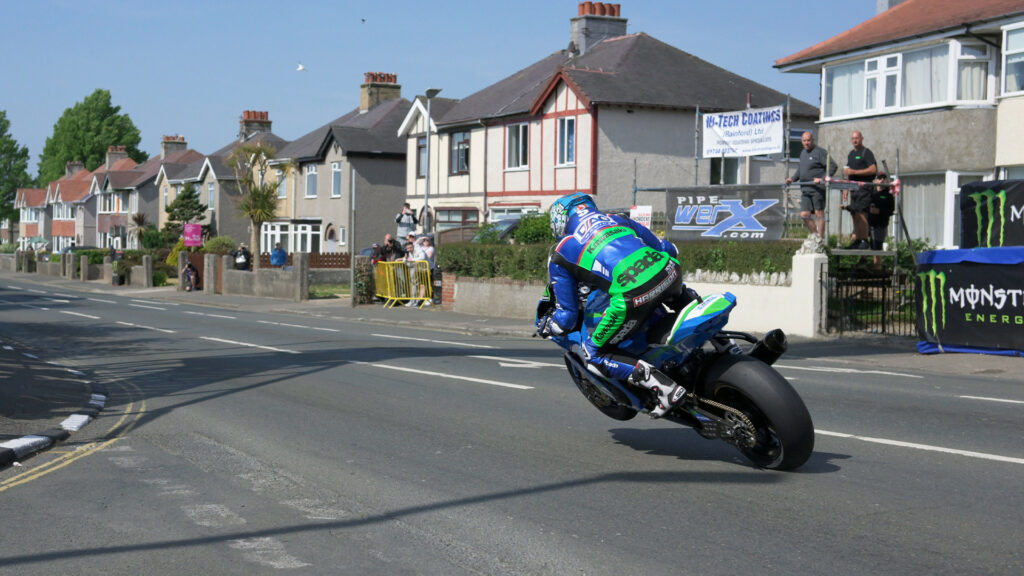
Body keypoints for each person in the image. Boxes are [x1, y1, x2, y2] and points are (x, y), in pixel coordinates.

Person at [537, 192, 694, 418]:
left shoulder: (562, 251)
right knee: (687, 304)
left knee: (593, 354)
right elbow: (668, 249)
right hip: (670, 273)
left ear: (560, 221)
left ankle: (664, 388)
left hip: (632, 296)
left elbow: (568, 316)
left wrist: (549, 326)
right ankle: (728, 346)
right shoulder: (618, 219)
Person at [786, 131, 837, 239]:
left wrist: (822, 179)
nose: (806, 143)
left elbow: (833, 166)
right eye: (804, 141)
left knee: (819, 214)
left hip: (817, 189)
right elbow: (800, 170)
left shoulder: (820, 152)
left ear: (813, 140)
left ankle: (821, 241)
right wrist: (792, 179)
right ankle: (816, 237)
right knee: (804, 215)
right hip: (805, 189)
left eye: (808, 140)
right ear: (802, 142)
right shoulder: (803, 153)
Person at [842, 130, 877, 249]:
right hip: (854, 189)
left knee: (862, 212)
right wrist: (846, 188)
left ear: (862, 138)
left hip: (864, 188)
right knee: (854, 212)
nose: (855, 140)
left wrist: (855, 172)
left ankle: (864, 240)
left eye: (857, 138)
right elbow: (848, 172)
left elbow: (873, 169)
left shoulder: (866, 152)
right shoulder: (851, 154)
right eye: (852, 138)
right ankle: (857, 239)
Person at [868, 172, 895, 270]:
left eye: (884, 178)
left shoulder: (888, 195)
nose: (882, 180)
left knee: (877, 247)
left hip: (880, 225)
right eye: (880, 178)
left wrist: (879, 211)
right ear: (876, 180)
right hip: (869, 224)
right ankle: (868, 266)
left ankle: (877, 268)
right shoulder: (871, 193)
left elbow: (891, 211)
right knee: (869, 246)